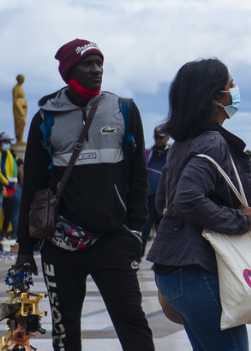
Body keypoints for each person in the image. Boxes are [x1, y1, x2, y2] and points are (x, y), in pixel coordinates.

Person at [16, 39, 153, 351]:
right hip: (60, 242)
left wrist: (136, 232)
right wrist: (25, 248)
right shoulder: (45, 118)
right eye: (87, 64)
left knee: (132, 322)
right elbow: (34, 186)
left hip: (114, 238)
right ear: (68, 71)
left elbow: (137, 177)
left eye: (99, 63)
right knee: (65, 332)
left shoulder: (124, 110)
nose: (97, 69)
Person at [147, 58, 251, 351]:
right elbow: (187, 200)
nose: (235, 91)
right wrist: (241, 219)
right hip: (199, 270)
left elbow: (164, 202)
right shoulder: (212, 142)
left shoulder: (182, 144)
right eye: (230, 85)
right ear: (214, 97)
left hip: (173, 270)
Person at [141, 125, 172, 255]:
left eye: (161, 137)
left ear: (167, 137)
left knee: (166, 231)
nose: (158, 140)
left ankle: (164, 257)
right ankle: (137, 258)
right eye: (156, 138)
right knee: (145, 228)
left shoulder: (173, 153)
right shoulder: (148, 153)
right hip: (150, 197)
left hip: (167, 199)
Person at [0, 134, 17, 236]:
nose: (7, 144)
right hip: (3, 186)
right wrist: (6, 182)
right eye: (5, 142)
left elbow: (12, 170)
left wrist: (12, 183)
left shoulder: (8, 155)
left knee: (8, 212)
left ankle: (3, 234)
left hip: (8, 189)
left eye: (8, 142)